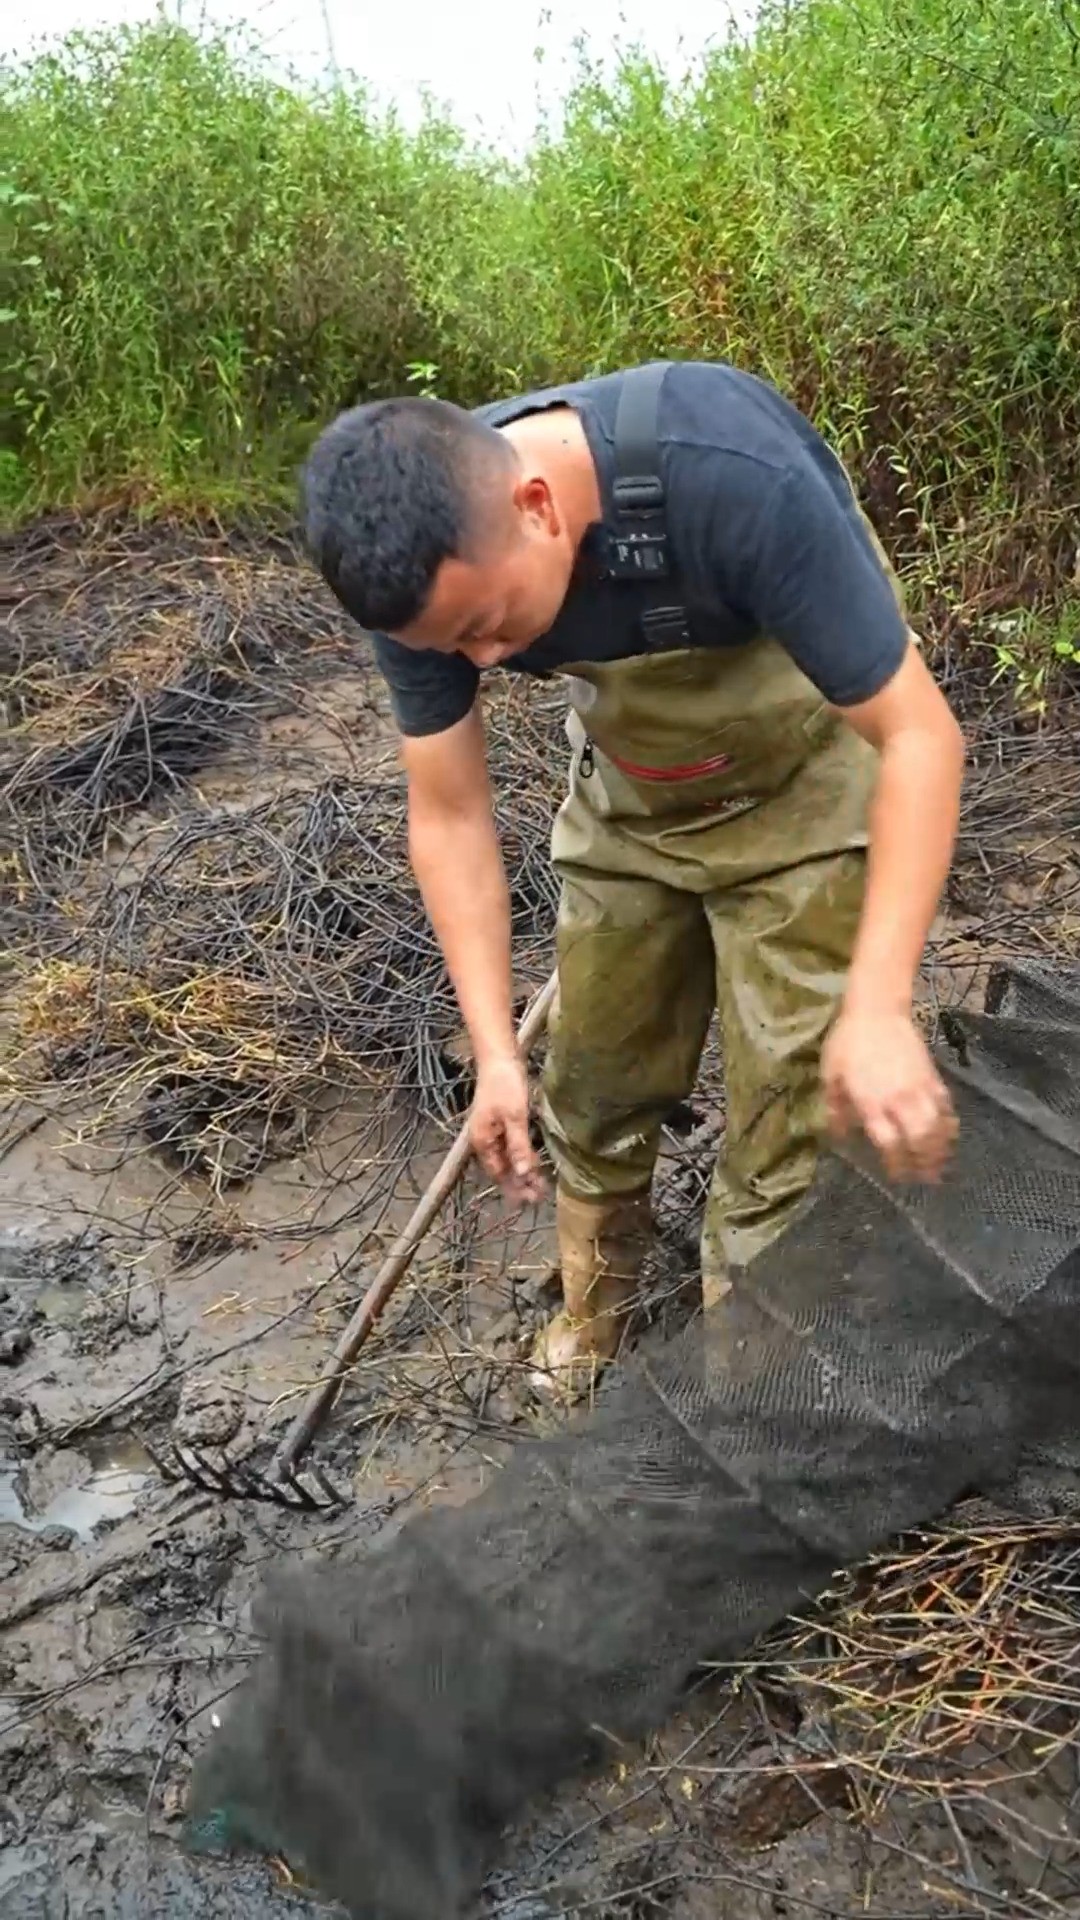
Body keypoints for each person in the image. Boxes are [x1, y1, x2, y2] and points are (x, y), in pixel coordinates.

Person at [301, 359, 964, 1396]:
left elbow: (921, 737)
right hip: (636, 801)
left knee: (788, 1127)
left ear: (535, 507)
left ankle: (753, 1390)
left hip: (808, 786)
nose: (473, 660)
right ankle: (591, 1315)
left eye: (485, 627)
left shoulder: (731, 480)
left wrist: (879, 1008)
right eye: (447, 644)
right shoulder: (424, 574)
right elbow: (449, 810)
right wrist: (491, 1055)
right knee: (589, 1083)